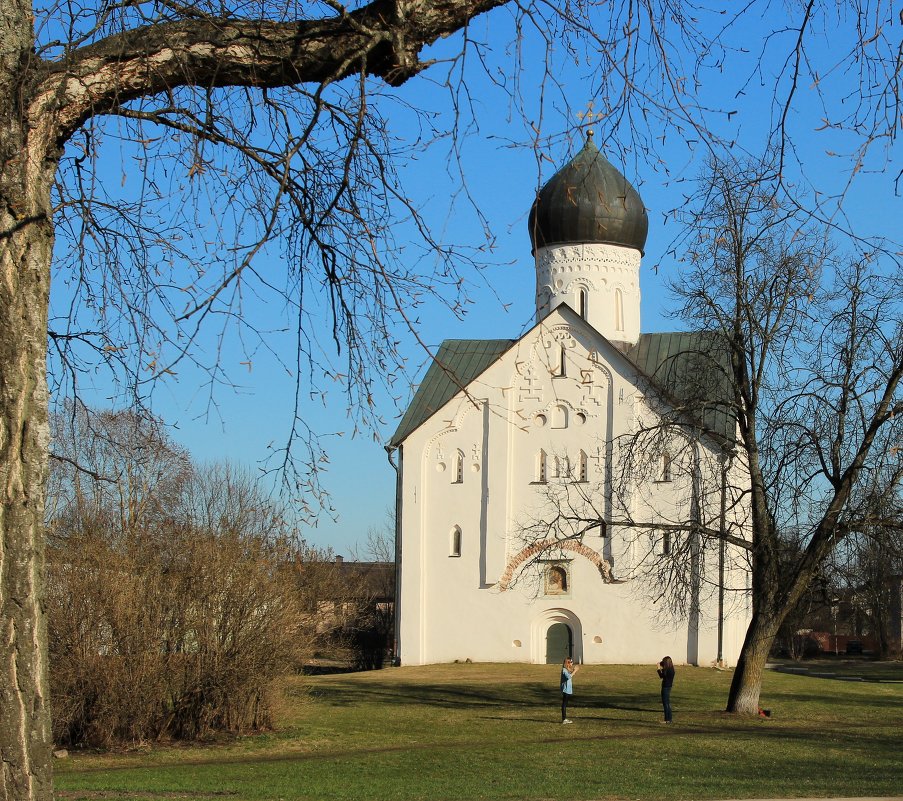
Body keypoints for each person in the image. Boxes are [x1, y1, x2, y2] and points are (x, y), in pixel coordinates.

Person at [560, 657, 579, 723]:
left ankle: (564, 719)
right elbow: (568, 677)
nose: (572, 663)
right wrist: (575, 670)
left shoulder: (566, 669)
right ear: (567, 663)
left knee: (565, 704)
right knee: (564, 704)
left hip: (568, 690)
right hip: (565, 690)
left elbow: (571, 674)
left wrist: (573, 670)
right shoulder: (564, 670)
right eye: (571, 662)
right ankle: (564, 719)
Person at [657, 656, 675, 723]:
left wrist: (658, 668)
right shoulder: (671, 669)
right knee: (667, 703)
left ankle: (667, 719)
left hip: (665, 687)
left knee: (666, 704)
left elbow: (661, 676)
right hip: (669, 687)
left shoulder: (666, 670)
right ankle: (669, 719)